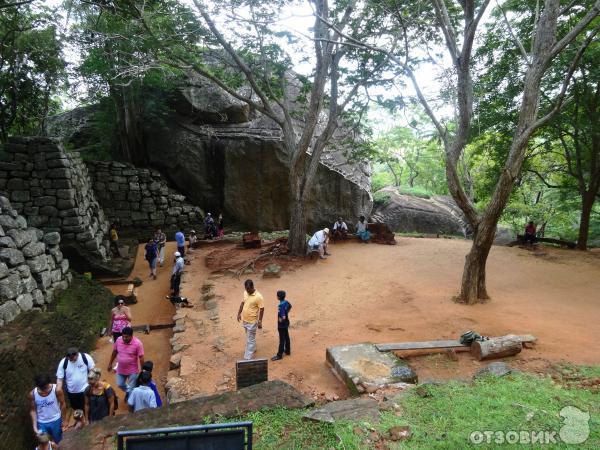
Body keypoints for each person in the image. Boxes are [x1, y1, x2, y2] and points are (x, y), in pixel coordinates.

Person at [107, 327, 144, 398]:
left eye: (126, 337)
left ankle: (131, 403)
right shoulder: (118, 340)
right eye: (123, 336)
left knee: (131, 389)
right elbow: (114, 352)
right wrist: (110, 363)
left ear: (131, 336)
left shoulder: (138, 343)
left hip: (132, 371)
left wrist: (142, 370)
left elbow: (141, 358)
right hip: (120, 369)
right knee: (119, 384)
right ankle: (129, 391)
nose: (124, 338)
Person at [56, 347, 95, 413]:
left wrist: (92, 385)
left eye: (73, 358)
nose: (72, 359)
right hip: (72, 392)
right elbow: (60, 378)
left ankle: (90, 421)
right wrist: (58, 389)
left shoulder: (85, 357)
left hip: (86, 389)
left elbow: (92, 370)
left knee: (88, 408)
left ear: (77, 354)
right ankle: (81, 421)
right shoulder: (63, 362)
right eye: (70, 358)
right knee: (77, 409)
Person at [29, 374, 66, 444]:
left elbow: (63, 404)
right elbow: (33, 410)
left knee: (59, 441)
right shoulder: (32, 394)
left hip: (56, 420)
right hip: (42, 422)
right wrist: (34, 426)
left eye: (45, 387)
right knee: (44, 442)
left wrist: (64, 420)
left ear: (49, 383)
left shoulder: (57, 390)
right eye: (41, 388)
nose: (44, 390)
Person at [236, 279, 264, 360]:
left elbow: (262, 309)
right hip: (245, 320)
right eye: (246, 289)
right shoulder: (245, 292)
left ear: (252, 287)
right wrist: (238, 313)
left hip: (252, 322)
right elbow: (242, 303)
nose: (247, 291)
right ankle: (253, 348)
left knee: (250, 339)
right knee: (249, 336)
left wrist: (260, 321)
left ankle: (247, 358)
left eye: (249, 289)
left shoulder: (259, 297)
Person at [271, 290, 292, 361]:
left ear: (278, 297)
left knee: (282, 339)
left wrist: (281, 320)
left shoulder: (281, 306)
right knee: (287, 337)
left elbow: (283, 316)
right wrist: (286, 313)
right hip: (286, 323)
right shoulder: (286, 302)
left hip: (282, 325)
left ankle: (279, 355)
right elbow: (290, 306)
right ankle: (288, 351)